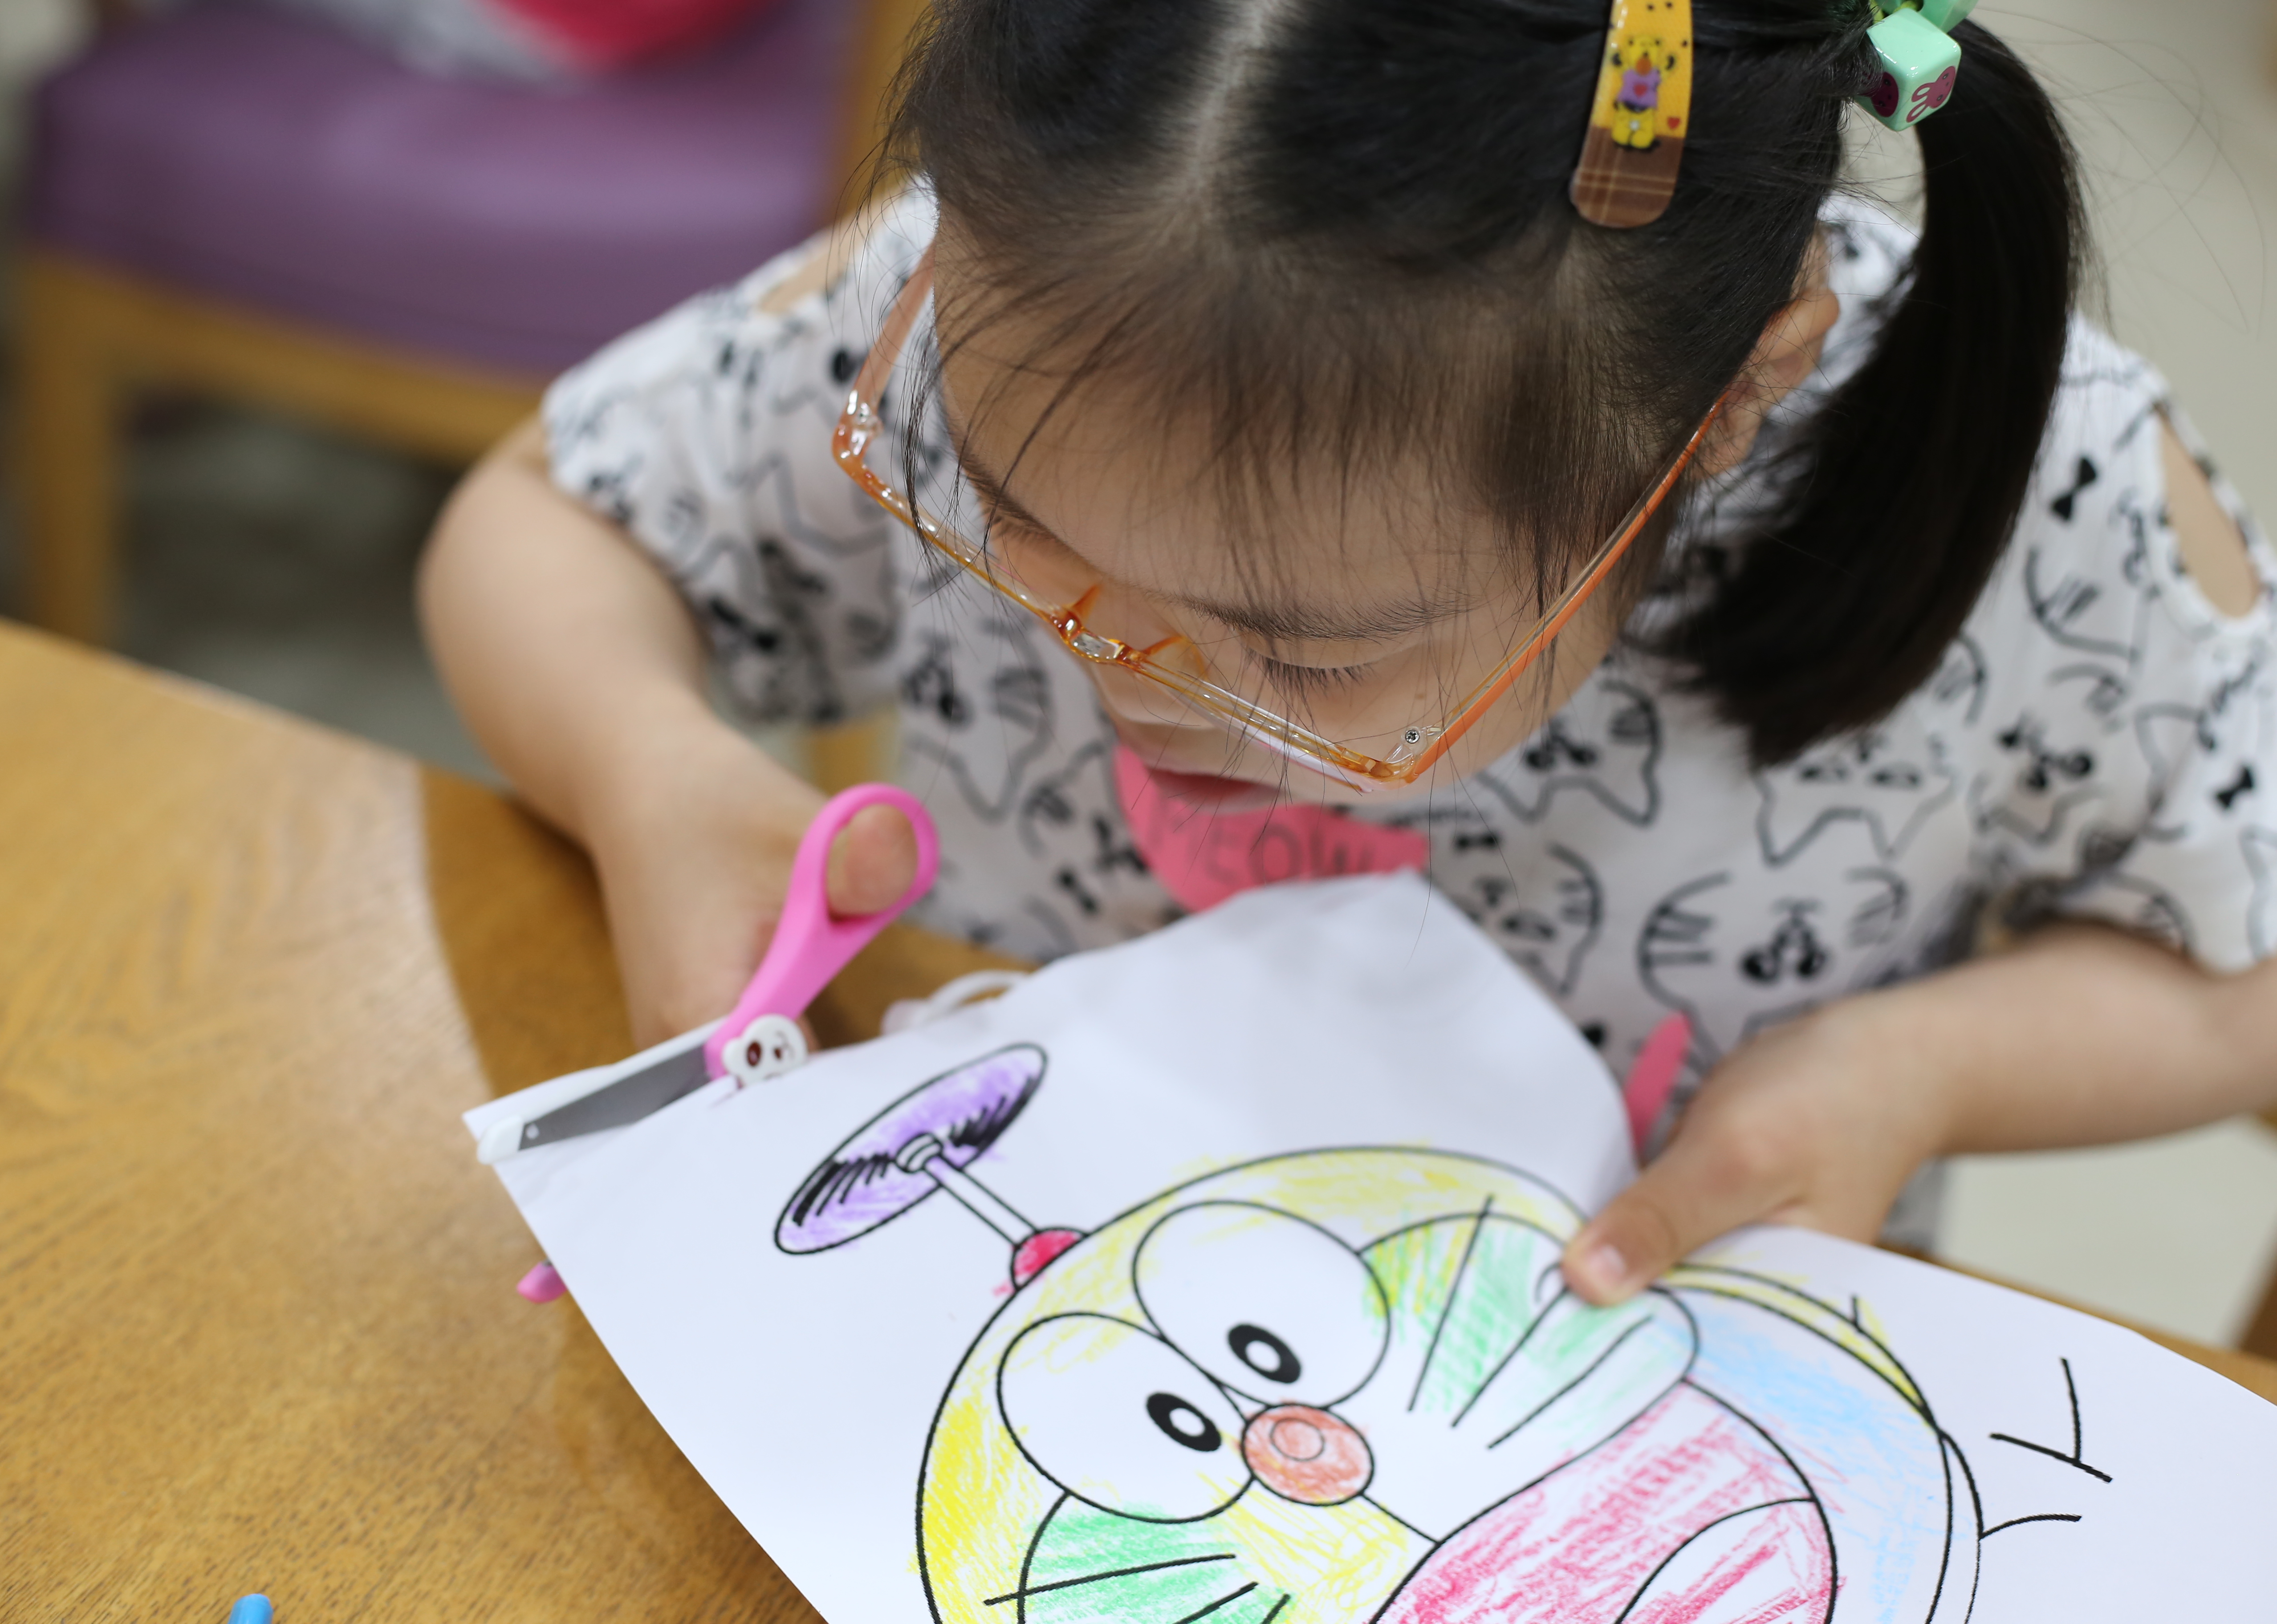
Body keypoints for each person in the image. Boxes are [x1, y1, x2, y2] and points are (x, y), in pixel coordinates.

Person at [419, 0, 2277, 1305]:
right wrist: (651, 770)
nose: (1124, 679)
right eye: (1007, 515)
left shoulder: (2047, 491)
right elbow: (553, 513)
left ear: (1728, 405)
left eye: (1302, 659)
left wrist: (1921, 1070)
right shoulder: (1012, 271)